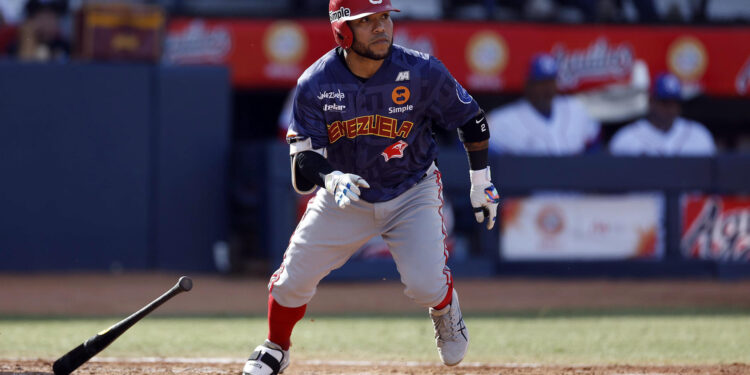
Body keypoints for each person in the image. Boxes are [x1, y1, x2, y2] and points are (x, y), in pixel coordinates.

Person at [242, 0, 500, 373]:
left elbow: (472, 120)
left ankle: (446, 310)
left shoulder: (421, 70)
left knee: (426, 286)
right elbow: (302, 160)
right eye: (367, 21)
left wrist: (482, 183)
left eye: (383, 18)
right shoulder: (316, 82)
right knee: (290, 281)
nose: (381, 28)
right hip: (347, 194)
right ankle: (276, 347)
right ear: (342, 30)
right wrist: (330, 177)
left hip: (412, 189)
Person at [486, 53, 601, 155]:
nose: (547, 88)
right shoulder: (503, 119)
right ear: (528, 85)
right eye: (541, 83)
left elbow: (594, 144)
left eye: (551, 82)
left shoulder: (576, 109)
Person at [609, 73, 716, 156]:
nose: (670, 109)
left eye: (674, 103)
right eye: (664, 103)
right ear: (651, 102)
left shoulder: (699, 135)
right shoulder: (626, 138)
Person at [5, 0, 69, 61]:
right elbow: (22, 68)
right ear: (31, 19)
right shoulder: (16, 45)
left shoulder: (65, 46)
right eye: (42, 17)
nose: (47, 23)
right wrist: (28, 38)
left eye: (52, 17)